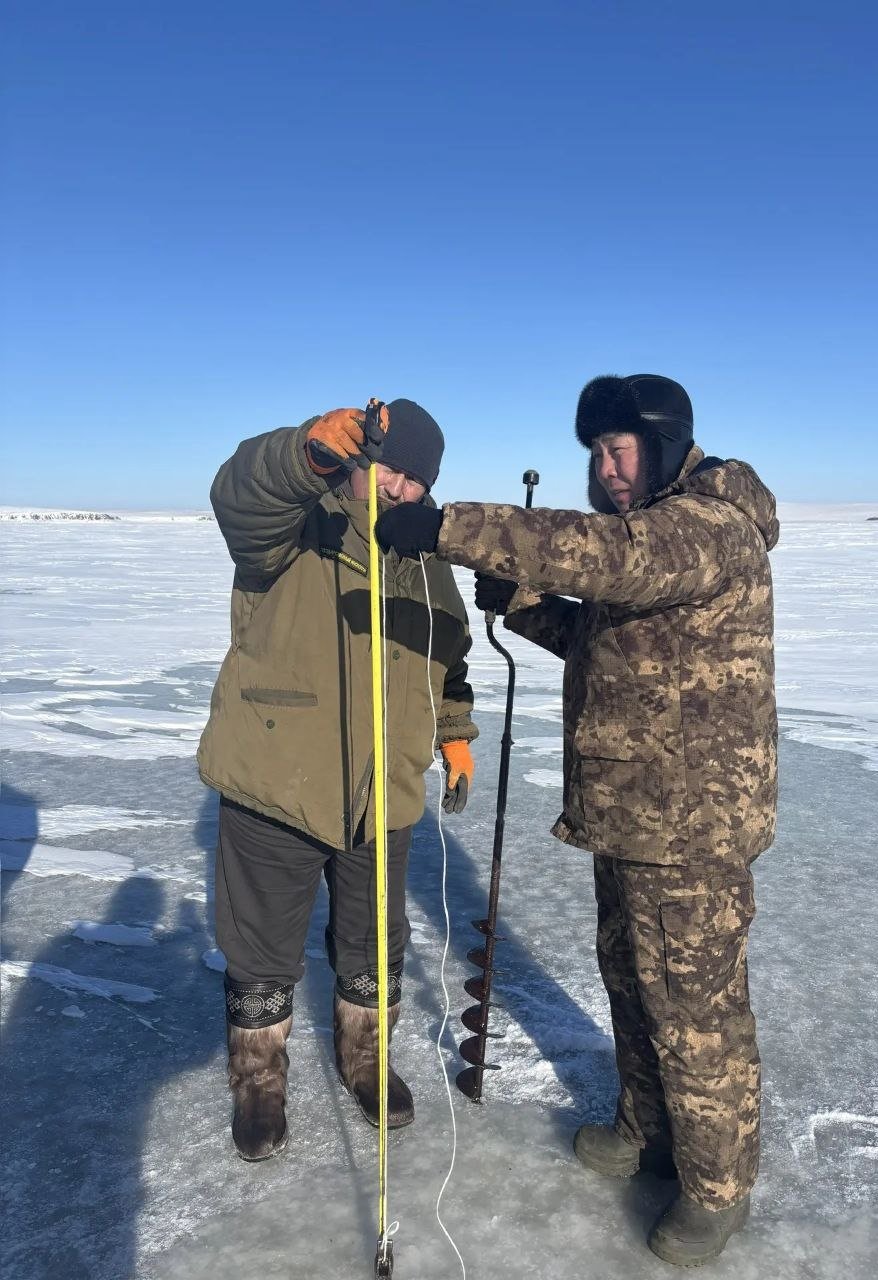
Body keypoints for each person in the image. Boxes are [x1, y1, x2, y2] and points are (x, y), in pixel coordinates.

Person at [375, 374, 778, 1266]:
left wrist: (445, 528)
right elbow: (606, 639)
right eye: (595, 454)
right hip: (634, 811)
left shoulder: (706, 525)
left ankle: (718, 1188)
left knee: (695, 1009)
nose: (606, 469)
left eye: (619, 449)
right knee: (632, 981)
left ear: (664, 446)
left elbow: (612, 559)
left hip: (692, 825)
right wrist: (521, 604)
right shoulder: (662, 536)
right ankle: (650, 1128)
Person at [197, 398, 478, 1160]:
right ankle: (258, 1082)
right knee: (261, 948)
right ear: (359, 460)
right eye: (390, 469)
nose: (399, 488)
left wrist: (453, 733)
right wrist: (305, 455)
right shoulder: (295, 526)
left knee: (374, 941)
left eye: (416, 480)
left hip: (383, 791)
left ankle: (365, 1058)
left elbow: (449, 658)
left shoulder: (426, 557)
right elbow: (239, 497)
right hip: (276, 778)